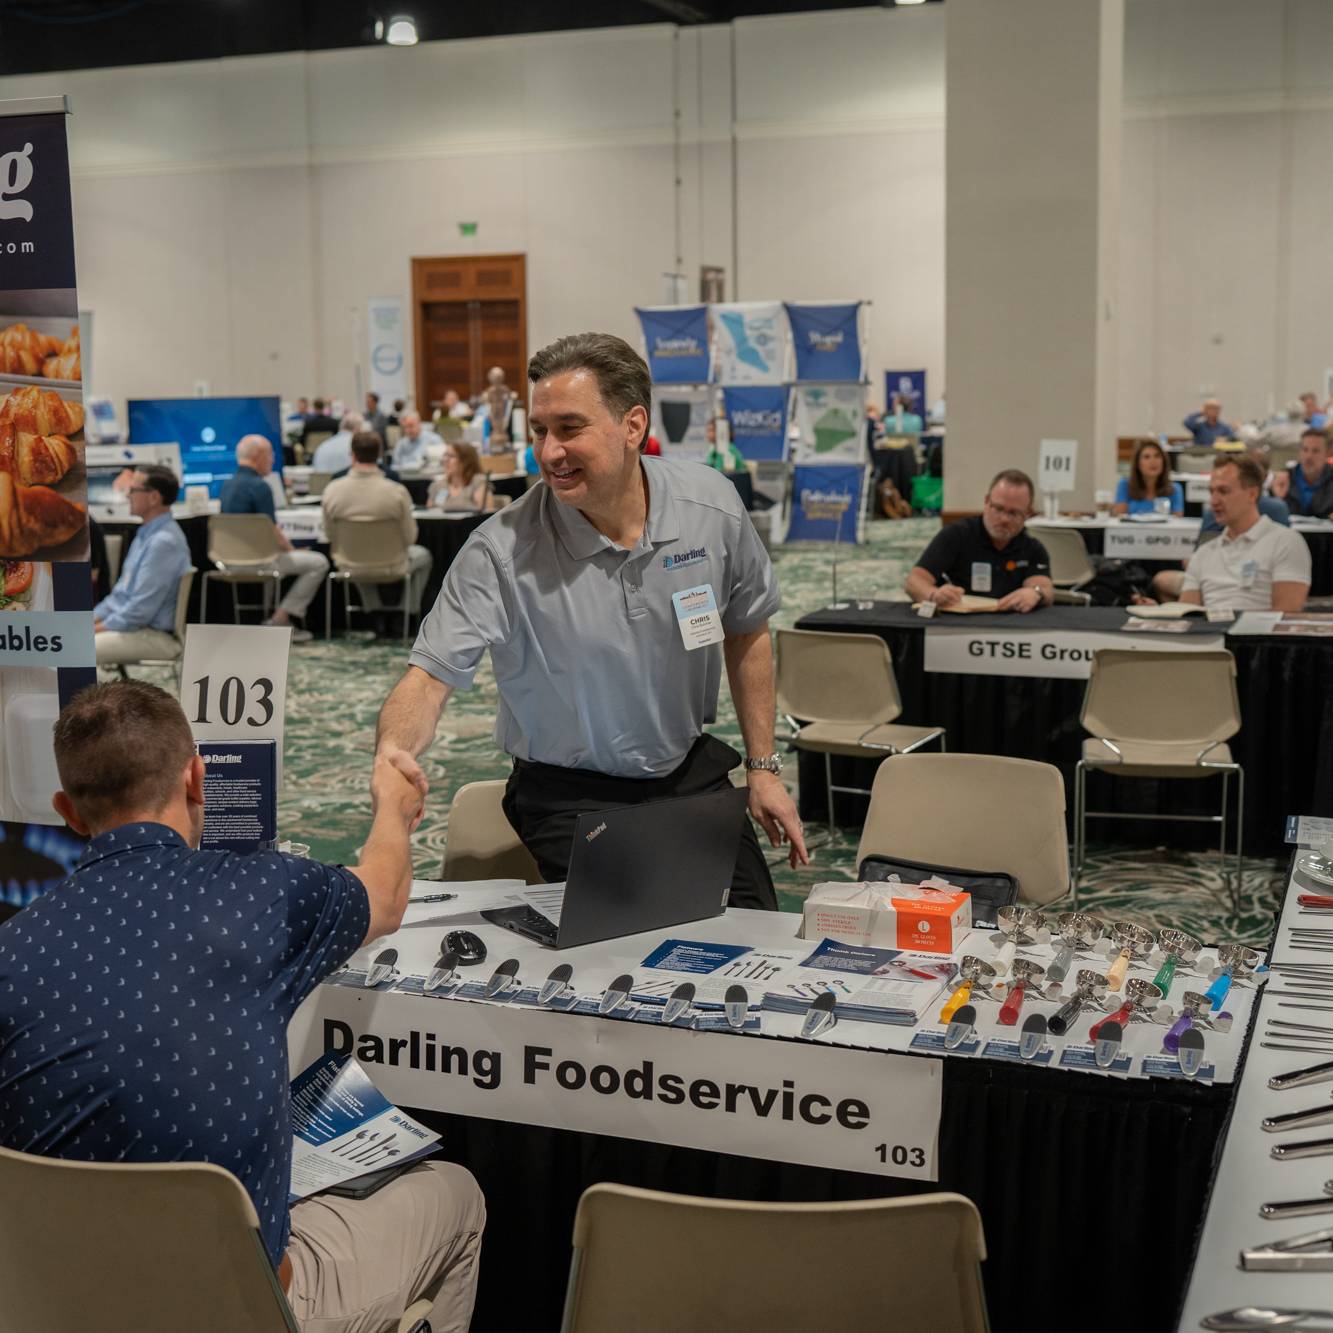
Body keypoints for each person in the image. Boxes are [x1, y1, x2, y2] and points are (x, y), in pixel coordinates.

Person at [0, 681, 484, 1333]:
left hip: (58, 1308)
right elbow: (385, 895)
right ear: (199, 778)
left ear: (69, 812)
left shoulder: (11, 948)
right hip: (241, 1311)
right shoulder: (260, 893)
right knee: (454, 1196)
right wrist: (391, 808)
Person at [377, 331, 806, 904]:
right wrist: (393, 752)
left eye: (569, 429)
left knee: (756, 927)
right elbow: (428, 679)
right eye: (539, 431)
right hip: (567, 795)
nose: (549, 451)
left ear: (633, 426)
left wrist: (763, 766)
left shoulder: (711, 505)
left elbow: (747, 626)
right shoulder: (500, 550)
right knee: (624, 944)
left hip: (686, 771)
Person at [220, 435, 328, 642]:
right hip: (259, 561)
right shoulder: (260, 487)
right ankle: (281, 618)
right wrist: (292, 551)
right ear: (258, 456)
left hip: (228, 561)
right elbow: (272, 531)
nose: (272, 459)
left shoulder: (227, 486)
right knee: (318, 563)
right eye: (270, 454)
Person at [903, 469, 1054, 612]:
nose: (1004, 519)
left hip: (1010, 625)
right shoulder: (957, 534)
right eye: (998, 508)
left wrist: (1035, 593)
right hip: (958, 622)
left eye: (1014, 513)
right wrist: (934, 595)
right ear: (987, 502)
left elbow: (1044, 588)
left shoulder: (1032, 547)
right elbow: (914, 581)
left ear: (1027, 513)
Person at [322, 430, 434, 620]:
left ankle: (374, 613)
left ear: (353, 455)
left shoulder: (332, 490)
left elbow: (330, 535)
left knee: (356, 554)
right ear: (380, 455)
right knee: (425, 557)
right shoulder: (397, 492)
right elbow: (410, 537)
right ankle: (406, 611)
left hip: (350, 564)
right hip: (393, 564)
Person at [1178, 454, 1311, 611]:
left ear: (1252, 494)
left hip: (1260, 634)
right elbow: (1187, 616)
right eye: (1211, 491)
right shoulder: (1203, 554)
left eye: (1223, 491)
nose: (1214, 501)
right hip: (1210, 633)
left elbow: (1286, 617)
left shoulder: (1286, 542)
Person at [92, 465, 191, 667]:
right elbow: (119, 596)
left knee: (78, 649)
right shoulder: (146, 534)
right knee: (72, 641)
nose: (128, 495)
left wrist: (95, 628)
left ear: (154, 497)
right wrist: (90, 620)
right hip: (136, 628)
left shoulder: (163, 542)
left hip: (153, 634)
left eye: (134, 490)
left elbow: (139, 611)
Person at [1270, 428, 1333, 518]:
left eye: (1316, 451)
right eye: (1305, 449)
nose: (1308, 456)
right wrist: (1277, 498)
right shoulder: (1284, 478)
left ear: (1327, 453)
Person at [1113, 439, 1184, 515]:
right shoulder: (1125, 485)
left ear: (1164, 461)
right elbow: (1120, 517)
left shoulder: (1174, 489)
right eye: (1146, 457)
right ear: (1138, 464)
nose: (1153, 461)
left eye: (1157, 456)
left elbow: (1177, 521)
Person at [428, 442, 491, 512]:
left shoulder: (478, 482)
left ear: (466, 461)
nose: (445, 460)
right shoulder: (439, 485)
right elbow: (430, 513)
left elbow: (486, 516)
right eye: (445, 455)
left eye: (452, 456)